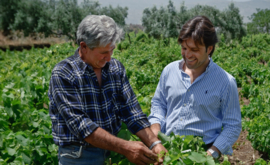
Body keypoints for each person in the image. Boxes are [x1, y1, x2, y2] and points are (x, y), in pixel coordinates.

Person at [48, 15, 166, 165]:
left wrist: (154, 143)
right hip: (79, 156)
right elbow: (82, 127)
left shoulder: (115, 68)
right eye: (104, 52)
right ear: (84, 47)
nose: (109, 58)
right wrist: (126, 147)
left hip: (114, 153)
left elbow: (131, 112)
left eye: (112, 50)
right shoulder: (64, 73)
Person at [148, 15, 241, 159]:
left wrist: (211, 154)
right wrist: (155, 133)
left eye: (194, 49)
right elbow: (159, 104)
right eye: (184, 48)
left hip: (202, 153)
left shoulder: (226, 82)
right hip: (167, 149)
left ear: (209, 49)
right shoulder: (169, 71)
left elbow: (233, 125)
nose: (188, 54)